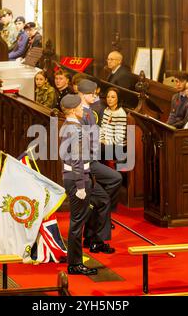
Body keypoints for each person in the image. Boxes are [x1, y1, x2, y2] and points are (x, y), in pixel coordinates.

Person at [60, 94, 102, 276]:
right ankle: (75, 264)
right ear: (73, 109)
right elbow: (77, 158)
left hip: (73, 176)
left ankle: (74, 260)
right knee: (77, 222)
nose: (82, 108)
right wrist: (81, 186)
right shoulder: (75, 130)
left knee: (78, 220)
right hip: (78, 177)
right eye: (80, 106)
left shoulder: (68, 126)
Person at [78, 79, 122, 253]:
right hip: (84, 162)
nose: (95, 96)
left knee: (114, 180)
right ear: (82, 94)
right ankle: (95, 237)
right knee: (106, 196)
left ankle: (95, 210)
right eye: (92, 94)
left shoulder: (90, 111)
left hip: (92, 158)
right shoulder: (81, 112)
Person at [100, 87, 127, 161]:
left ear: (118, 99)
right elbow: (102, 128)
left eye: (113, 97)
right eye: (108, 97)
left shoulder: (120, 113)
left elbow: (119, 138)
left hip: (117, 146)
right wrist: (100, 139)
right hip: (106, 142)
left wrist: (105, 142)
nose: (109, 99)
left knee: (95, 151)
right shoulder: (107, 110)